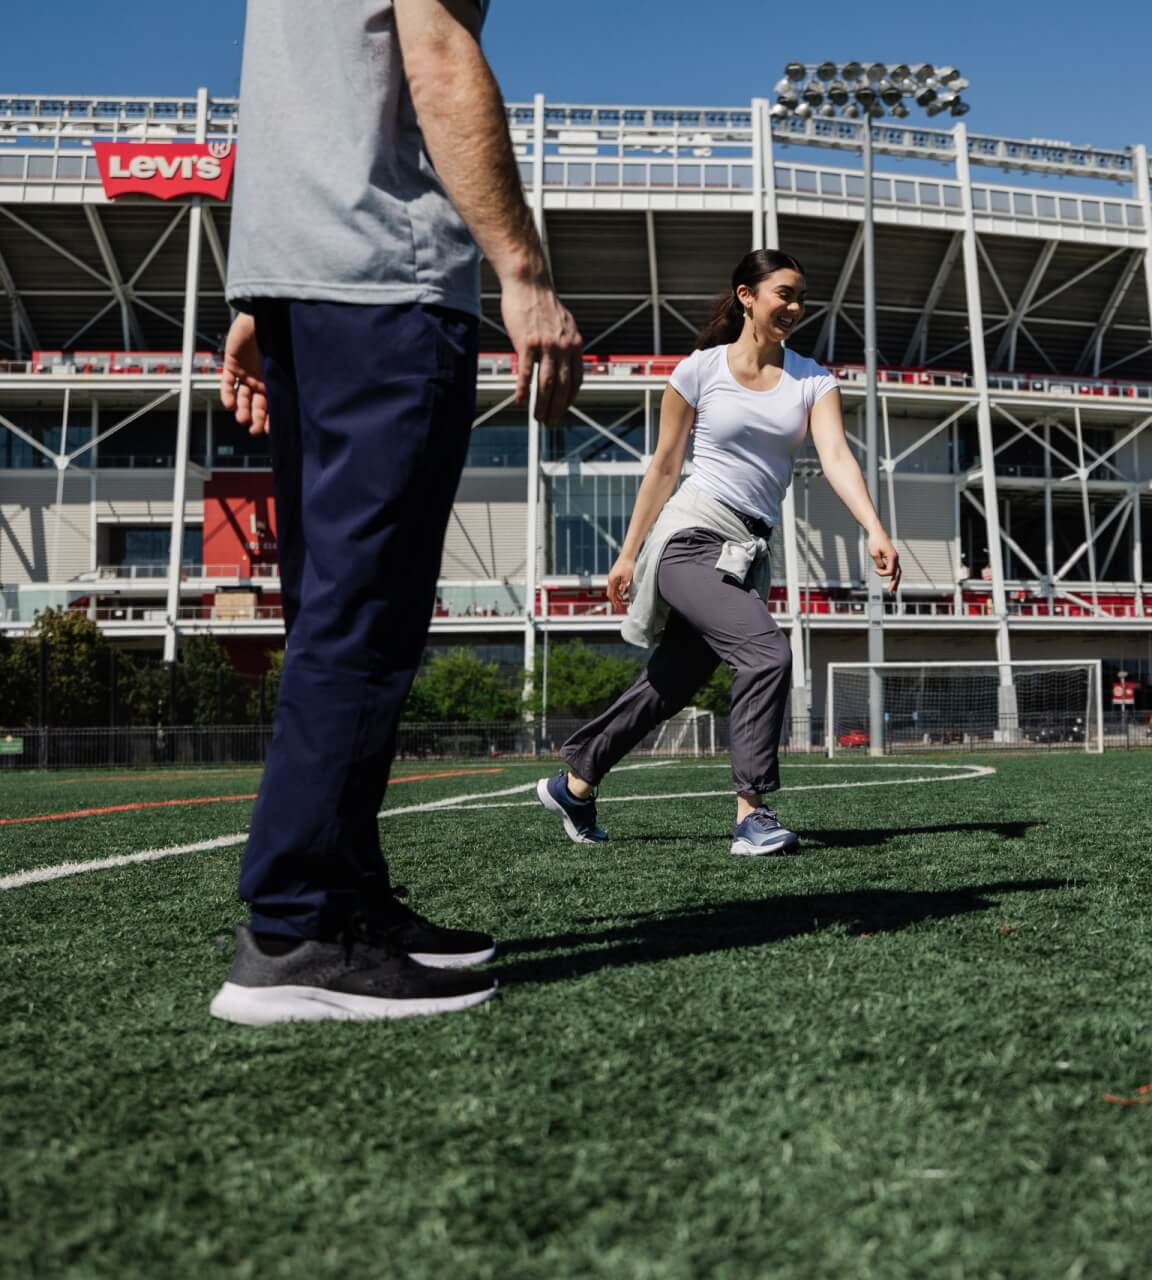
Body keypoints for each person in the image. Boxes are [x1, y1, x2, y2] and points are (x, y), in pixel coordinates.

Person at [209, 0, 584, 1025]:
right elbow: (439, 54)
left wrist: (258, 293)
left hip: (301, 277)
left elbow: (304, 94)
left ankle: (345, 895)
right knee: (364, 614)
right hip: (383, 277)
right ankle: (296, 930)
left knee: (332, 608)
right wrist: (523, 270)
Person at [536, 249, 901, 854]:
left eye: (800, 297)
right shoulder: (699, 370)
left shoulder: (813, 380)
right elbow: (664, 465)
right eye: (783, 293)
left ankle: (575, 782)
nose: (794, 306)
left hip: (747, 553)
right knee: (767, 653)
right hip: (690, 536)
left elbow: (837, 456)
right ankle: (751, 814)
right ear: (746, 297)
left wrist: (874, 527)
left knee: (671, 684)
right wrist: (628, 554)